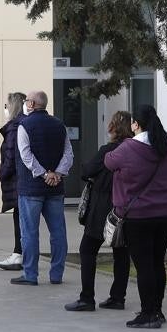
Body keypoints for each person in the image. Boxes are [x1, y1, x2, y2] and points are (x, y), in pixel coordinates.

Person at [104, 104, 167, 328]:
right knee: (157, 262)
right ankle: (157, 310)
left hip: (138, 216)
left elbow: (108, 161)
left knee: (144, 265)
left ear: (135, 124)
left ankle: (148, 313)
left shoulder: (128, 148)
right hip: (166, 213)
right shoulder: (166, 147)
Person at [65, 110, 134, 312]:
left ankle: (87, 297)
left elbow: (87, 171)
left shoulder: (108, 150)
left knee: (88, 249)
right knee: (121, 252)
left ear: (113, 127)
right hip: (124, 207)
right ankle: (118, 297)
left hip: (102, 206)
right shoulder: (135, 150)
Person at [10, 90, 73, 286]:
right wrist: (57, 174)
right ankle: (56, 274)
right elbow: (68, 154)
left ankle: (30, 274)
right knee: (58, 232)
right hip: (55, 188)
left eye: (27, 101)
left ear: (31, 104)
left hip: (31, 188)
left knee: (29, 233)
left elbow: (25, 155)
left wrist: (44, 174)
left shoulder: (24, 125)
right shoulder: (59, 125)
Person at [0, 92, 27, 270]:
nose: (5, 109)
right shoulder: (24, 124)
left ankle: (19, 254)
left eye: (6, 106)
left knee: (20, 217)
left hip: (17, 180)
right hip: (23, 179)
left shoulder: (14, 128)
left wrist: (2, 173)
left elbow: (10, 155)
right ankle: (21, 253)